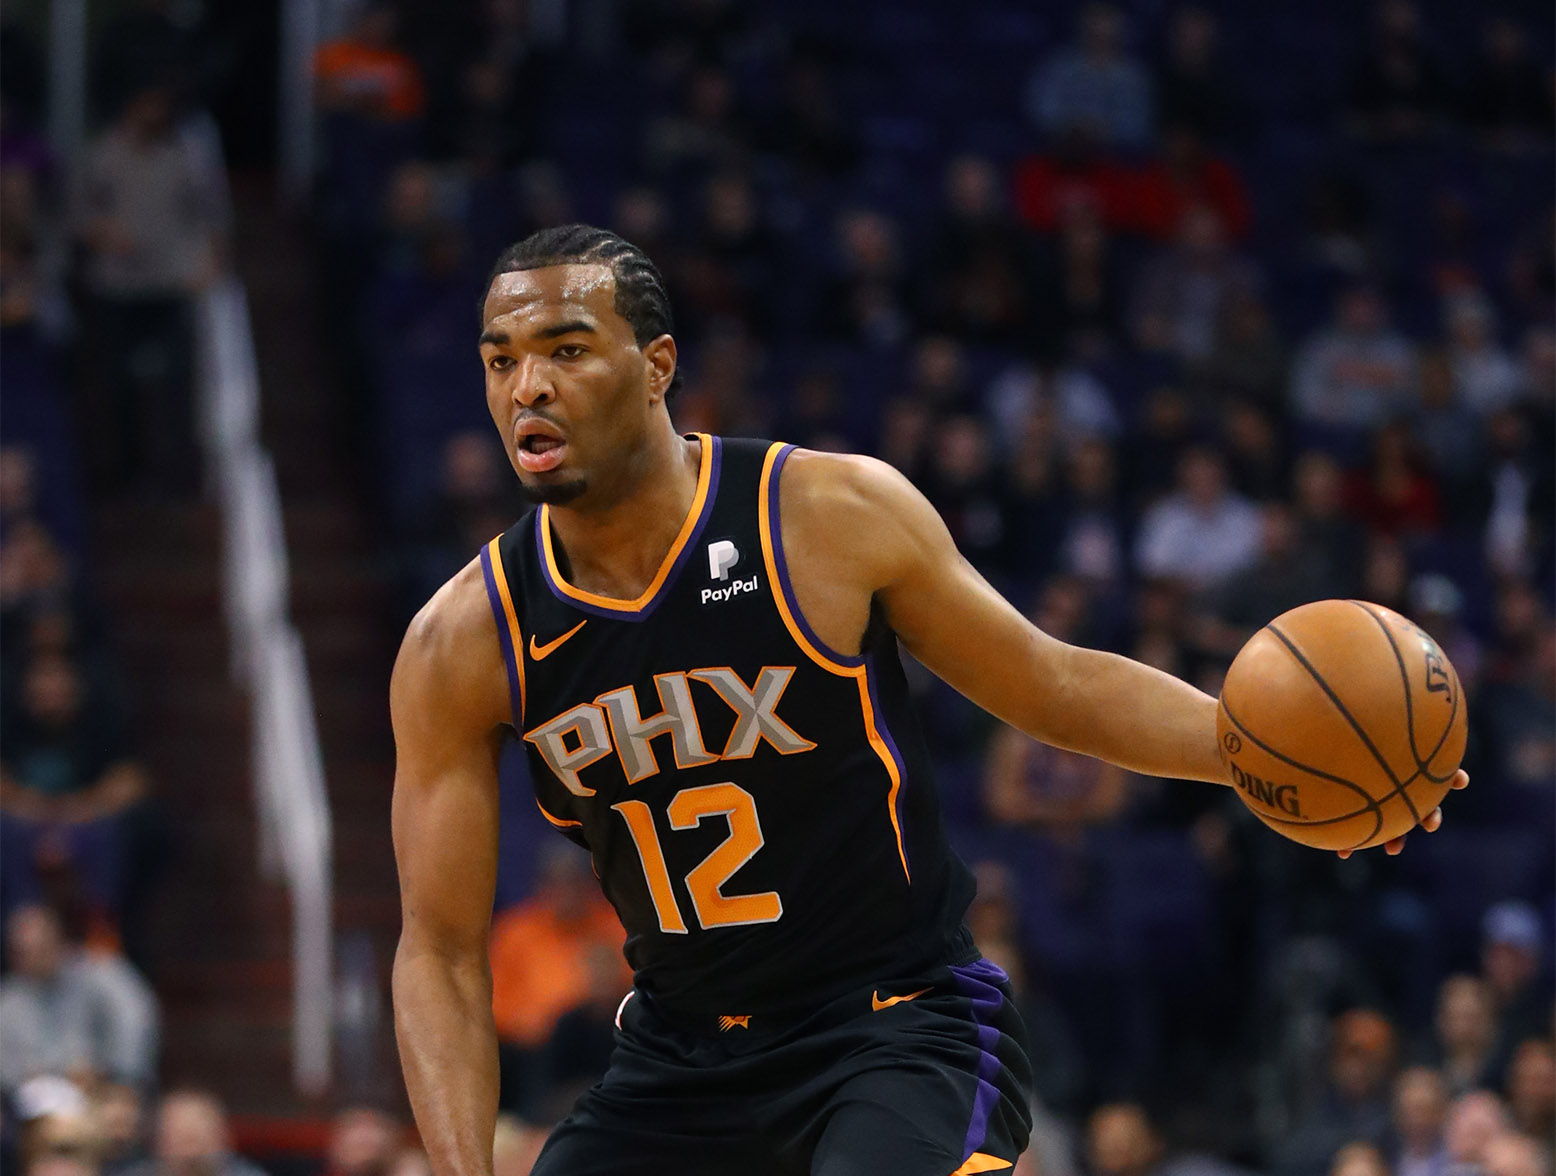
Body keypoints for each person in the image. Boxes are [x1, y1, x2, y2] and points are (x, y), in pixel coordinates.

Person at [389, 225, 1464, 1176]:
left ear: (658, 364)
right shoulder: (462, 640)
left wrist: (1274, 759)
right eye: (500, 361)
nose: (525, 386)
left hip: (899, 1029)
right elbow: (437, 950)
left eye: (565, 351)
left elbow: (1051, 683)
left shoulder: (821, 514)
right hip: (678, 1058)